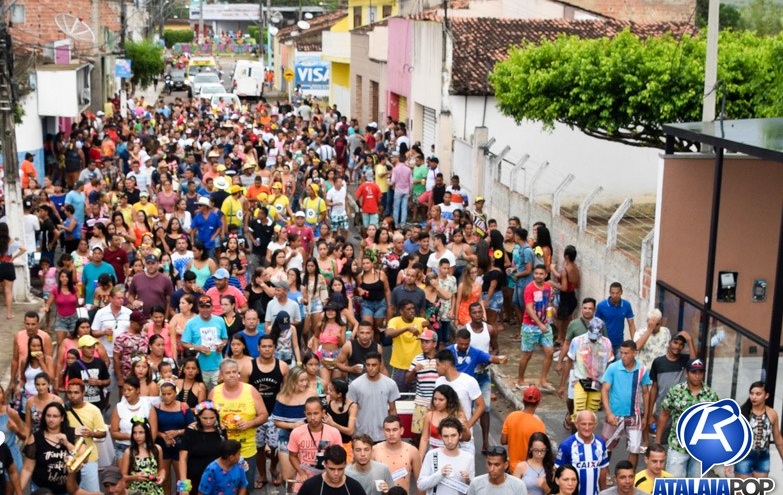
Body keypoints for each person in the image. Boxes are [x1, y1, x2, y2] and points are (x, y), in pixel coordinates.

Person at [209, 359, 269, 489]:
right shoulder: (215, 392)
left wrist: (250, 423)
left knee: (245, 487)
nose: (231, 375)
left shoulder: (250, 390)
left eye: (234, 372)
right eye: (227, 372)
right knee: (222, 487)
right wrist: (218, 425)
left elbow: (264, 415)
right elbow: (207, 417)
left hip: (246, 449)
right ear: (221, 375)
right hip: (222, 450)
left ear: (238, 373)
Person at [654, 358, 718, 478]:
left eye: (700, 372)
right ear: (686, 373)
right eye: (693, 372)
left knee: (697, 488)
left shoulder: (711, 395)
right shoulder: (675, 391)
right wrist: (657, 442)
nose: (697, 376)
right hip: (677, 446)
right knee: (674, 487)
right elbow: (664, 415)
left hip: (701, 449)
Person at [448, 326, 507, 453]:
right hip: (450, 392)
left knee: (466, 417)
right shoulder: (448, 352)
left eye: (466, 344)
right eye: (461, 344)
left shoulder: (475, 352)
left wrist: (500, 359)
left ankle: (466, 444)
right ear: (456, 340)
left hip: (466, 394)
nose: (464, 346)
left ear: (469, 342)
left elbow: (491, 358)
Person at [601, 340, 650, 469]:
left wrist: (646, 416)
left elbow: (646, 392)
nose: (623, 356)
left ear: (634, 353)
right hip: (614, 414)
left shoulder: (642, 370)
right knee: (606, 446)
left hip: (634, 415)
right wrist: (609, 413)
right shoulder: (613, 368)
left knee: (634, 449)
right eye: (621, 353)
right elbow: (605, 390)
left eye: (626, 353)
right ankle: (605, 475)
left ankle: (630, 477)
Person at [249, 335, 288, 487]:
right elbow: (245, 391)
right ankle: (262, 475)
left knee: (275, 447)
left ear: (274, 348)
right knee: (258, 447)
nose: (266, 349)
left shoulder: (283, 366)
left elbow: (286, 392)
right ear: (258, 348)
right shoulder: (249, 367)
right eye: (263, 346)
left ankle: (273, 468)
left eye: (269, 346)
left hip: (275, 413)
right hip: (256, 414)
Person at [556, 298, 600, 431]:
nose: (587, 311)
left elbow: (604, 348)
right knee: (571, 399)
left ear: (594, 310)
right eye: (585, 308)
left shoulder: (600, 326)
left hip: (592, 373)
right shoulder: (574, 325)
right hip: (576, 370)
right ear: (582, 309)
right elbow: (567, 344)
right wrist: (559, 361)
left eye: (590, 308)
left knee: (586, 405)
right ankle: (570, 413)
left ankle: (580, 428)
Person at [559, 318, 613, 423]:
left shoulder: (606, 343)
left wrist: (607, 387)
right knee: (578, 414)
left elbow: (609, 365)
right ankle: (576, 436)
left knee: (592, 415)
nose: (593, 340)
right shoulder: (577, 341)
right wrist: (562, 385)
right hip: (580, 380)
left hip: (597, 383)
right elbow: (569, 362)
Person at [20, 402, 80, 495]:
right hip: (42, 490)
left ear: (62, 418)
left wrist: (67, 443)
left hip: (68, 490)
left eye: (55, 416)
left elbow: (83, 458)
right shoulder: (36, 438)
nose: (51, 419)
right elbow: (27, 469)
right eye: (48, 416)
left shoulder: (73, 433)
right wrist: (18, 491)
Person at [729, 381, 783, 479]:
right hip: (744, 456)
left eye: (758, 394)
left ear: (766, 396)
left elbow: (778, 438)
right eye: (752, 393)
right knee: (742, 491)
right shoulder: (743, 413)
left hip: (763, 457)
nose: (754, 397)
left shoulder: (772, 414)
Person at [647, 334, 694, 442]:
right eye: (675, 343)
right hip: (662, 410)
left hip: (681, 410)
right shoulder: (658, 362)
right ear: (669, 343)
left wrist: (690, 340)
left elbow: (694, 362)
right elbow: (654, 388)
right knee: (660, 443)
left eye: (681, 344)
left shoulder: (685, 360)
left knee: (680, 443)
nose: (677, 347)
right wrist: (650, 414)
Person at [433, 350, 485, 448]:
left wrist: (467, 426)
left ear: (446, 365)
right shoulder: (438, 382)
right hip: (444, 438)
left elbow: (481, 405)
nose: (436, 368)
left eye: (437, 364)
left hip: (464, 440)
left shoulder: (469, 381)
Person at [288, 397, 343, 487]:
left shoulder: (334, 432)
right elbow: (292, 456)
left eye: (316, 413)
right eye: (309, 414)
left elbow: (339, 457)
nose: (312, 417)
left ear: (323, 413)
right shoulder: (296, 432)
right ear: (305, 414)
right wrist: (301, 473)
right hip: (305, 480)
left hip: (328, 480)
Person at [64, 379, 108, 492]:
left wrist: (91, 433)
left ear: (83, 393)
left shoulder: (93, 410)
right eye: (70, 392)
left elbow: (103, 432)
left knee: (92, 492)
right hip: (68, 459)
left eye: (76, 392)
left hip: (89, 460)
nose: (72, 395)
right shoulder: (63, 410)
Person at [517, 265, 555, 392]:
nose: (538, 276)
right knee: (527, 354)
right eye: (536, 273)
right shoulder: (529, 288)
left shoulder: (548, 288)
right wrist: (540, 324)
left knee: (550, 352)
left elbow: (549, 303)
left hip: (545, 324)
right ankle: (520, 379)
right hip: (530, 326)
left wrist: (551, 311)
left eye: (541, 273)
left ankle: (543, 380)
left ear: (545, 275)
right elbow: (529, 308)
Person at [347, 352, 399, 443]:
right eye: (368, 365)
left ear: (380, 365)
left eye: (374, 365)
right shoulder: (355, 385)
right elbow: (350, 411)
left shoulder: (390, 384)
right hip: (361, 434)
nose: (370, 368)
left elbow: (393, 410)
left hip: (383, 435)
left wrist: (394, 432)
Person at [417, 416, 475, 495]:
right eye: (446, 436)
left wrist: (468, 481)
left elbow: (473, 491)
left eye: (453, 435)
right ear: (441, 437)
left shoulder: (469, 458)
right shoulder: (431, 455)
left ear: (460, 435)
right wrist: (439, 474)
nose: (450, 441)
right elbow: (421, 485)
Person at [178, 401, 226, 495]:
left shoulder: (221, 430)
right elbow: (183, 458)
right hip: (195, 478)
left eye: (212, 418)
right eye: (204, 418)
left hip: (217, 478)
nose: (208, 421)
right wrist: (184, 486)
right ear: (198, 416)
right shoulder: (191, 431)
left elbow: (226, 453)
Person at [555, 411, 608, 495]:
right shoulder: (566, 445)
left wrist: (604, 492)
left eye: (590, 424)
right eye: (583, 424)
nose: (587, 428)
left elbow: (603, 470)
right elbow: (557, 473)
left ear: (595, 425)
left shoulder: (600, 443)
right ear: (576, 425)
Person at [182, 296, 228, 390]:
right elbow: (184, 343)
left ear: (212, 307)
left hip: (217, 365)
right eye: (202, 307)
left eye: (207, 307)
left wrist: (221, 345)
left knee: (218, 393)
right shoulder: (191, 323)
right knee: (201, 395)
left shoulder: (220, 320)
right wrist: (197, 348)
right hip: (199, 367)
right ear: (198, 308)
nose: (205, 310)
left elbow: (225, 338)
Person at [386, 299, 430, 392]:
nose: (412, 311)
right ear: (401, 311)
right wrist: (406, 328)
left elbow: (432, 339)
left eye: (413, 308)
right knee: (398, 397)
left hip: (418, 366)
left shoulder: (421, 321)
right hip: (400, 366)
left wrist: (429, 326)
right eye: (408, 309)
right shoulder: (395, 321)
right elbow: (388, 334)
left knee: (419, 396)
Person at [501, 386, 546, 473]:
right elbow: (540, 451)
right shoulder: (539, 424)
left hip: (512, 468)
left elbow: (503, 441)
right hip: (528, 471)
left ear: (523, 400)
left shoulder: (511, 416)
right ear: (539, 402)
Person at [406, 329, 439, 445]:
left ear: (434, 343)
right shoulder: (417, 359)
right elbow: (408, 380)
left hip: (438, 403)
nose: (423, 345)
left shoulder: (441, 359)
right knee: (418, 433)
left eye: (427, 342)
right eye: (422, 342)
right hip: (421, 401)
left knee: (437, 432)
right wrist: (414, 370)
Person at [372, 416, 421, 491]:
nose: (391, 434)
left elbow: (420, 483)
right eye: (388, 430)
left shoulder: (412, 451)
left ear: (401, 430)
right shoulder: (374, 450)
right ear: (383, 431)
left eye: (395, 430)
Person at [296, 445, 365, 495]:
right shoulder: (310, 486)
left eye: (340, 469)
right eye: (331, 469)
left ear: (345, 465)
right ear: (325, 465)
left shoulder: (355, 487)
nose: (336, 473)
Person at [67, 335, 111, 412]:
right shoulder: (74, 366)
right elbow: (71, 386)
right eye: (89, 347)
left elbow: (108, 381)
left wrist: (99, 382)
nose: (92, 350)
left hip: (98, 405)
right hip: (81, 405)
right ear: (81, 349)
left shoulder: (100, 363)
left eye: (93, 347)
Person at [121, 418, 164, 495]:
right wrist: (135, 477)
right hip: (136, 491)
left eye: (141, 432)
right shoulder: (129, 452)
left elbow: (161, 469)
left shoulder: (157, 449)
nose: (137, 436)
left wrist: (161, 477)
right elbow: (122, 477)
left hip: (154, 491)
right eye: (134, 433)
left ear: (147, 433)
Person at [595, 282, 636, 357]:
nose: (615, 295)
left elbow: (631, 324)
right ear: (609, 293)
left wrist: (634, 342)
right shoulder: (601, 306)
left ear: (621, 292)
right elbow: (596, 325)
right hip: (604, 344)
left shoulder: (626, 305)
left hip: (619, 344)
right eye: (612, 293)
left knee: (619, 367)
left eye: (617, 293)